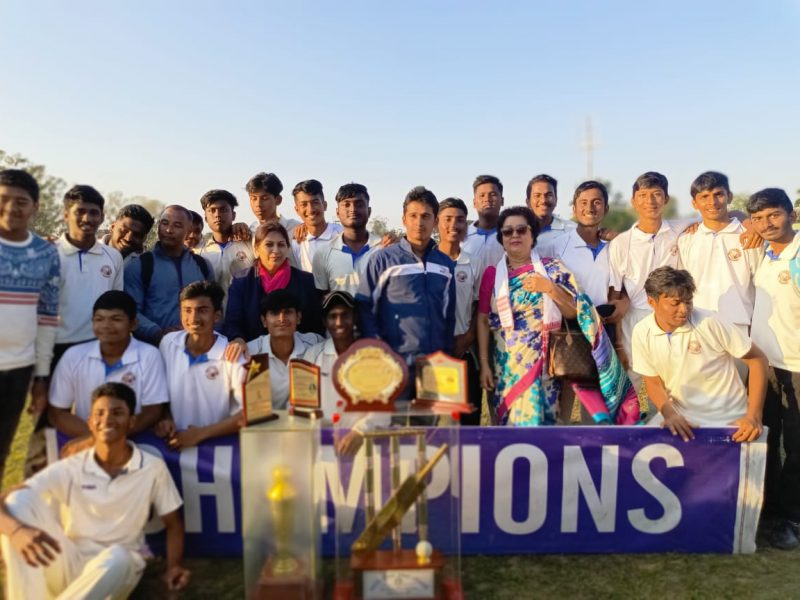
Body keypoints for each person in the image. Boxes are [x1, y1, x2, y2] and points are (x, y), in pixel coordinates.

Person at [0, 382, 190, 598]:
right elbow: (9, 498)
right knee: (17, 504)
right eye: (99, 413)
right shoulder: (71, 465)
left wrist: (174, 566)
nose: (107, 420)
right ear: (90, 422)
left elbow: (174, 524)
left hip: (118, 568)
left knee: (120, 557)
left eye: (117, 413)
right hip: (69, 559)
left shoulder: (152, 467)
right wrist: (17, 532)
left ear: (132, 421)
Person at [477, 206, 638, 426]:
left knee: (543, 428)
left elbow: (575, 311)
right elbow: (483, 320)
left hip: (546, 366)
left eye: (521, 230)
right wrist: (485, 364)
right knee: (508, 429)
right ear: (501, 238)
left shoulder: (552, 269)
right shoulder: (493, 275)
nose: (515, 235)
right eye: (508, 232)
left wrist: (550, 289)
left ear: (533, 235)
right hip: (505, 368)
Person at [632, 267, 767, 441]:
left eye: (688, 302)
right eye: (675, 303)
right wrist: (669, 414)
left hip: (730, 420)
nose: (684, 309)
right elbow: (652, 381)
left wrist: (753, 416)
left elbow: (757, 360)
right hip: (683, 420)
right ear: (652, 302)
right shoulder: (641, 332)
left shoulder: (710, 322)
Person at [357, 186, 456, 386]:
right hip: (393, 364)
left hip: (434, 365)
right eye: (413, 215)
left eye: (426, 216)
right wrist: (379, 352)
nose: (419, 222)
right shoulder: (383, 260)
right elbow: (364, 308)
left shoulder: (445, 265)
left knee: (429, 417)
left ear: (435, 221)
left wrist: (445, 355)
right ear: (404, 219)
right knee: (394, 418)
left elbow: (448, 316)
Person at [746, 188, 800, 549]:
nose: (767, 224)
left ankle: (793, 518)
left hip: (797, 365)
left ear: (791, 214)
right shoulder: (762, 253)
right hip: (765, 363)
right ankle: (767, 509)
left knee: (797, 445)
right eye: (759, 218)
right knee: (767, 437)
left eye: (774, 215)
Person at [0, 169, 60, 482]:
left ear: (35, 207)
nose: (11, 208)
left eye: (21, 201)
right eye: (3, 200)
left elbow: (47, 317)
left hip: (19, 369)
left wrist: (40, 377)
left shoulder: (46, 253)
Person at [48, 290, 167, 442]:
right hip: (86, 442)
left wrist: (113, 437)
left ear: (133, 323)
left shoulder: (149, 355)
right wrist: (98, 439)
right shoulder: (74, 356)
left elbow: (152, 411)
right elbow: (58, 412)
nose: (106, 326)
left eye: (116, 319)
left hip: (135, 442)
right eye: (99, 319)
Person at [157, 281, 245, 450]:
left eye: (202, 310)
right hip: (175, 447)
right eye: (187, 310)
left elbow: (248, 413)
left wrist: (200, 434)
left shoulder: (233, 355)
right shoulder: (168, 343)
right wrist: (165, 418)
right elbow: (161, 394)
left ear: (217, 315)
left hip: (218, 452)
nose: (193, 319)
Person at [302, 291, 389, 454]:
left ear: (355, 317)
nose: (339, 322)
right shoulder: (312, 355)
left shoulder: (372, 355)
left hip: (365, 449)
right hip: (322, 448)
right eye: (332, 316)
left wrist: (359, 432)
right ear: (325, 322)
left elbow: (383, 410)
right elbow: (301, 404)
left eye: (345, 315)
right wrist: (323, 430)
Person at [224, 222, 324, 359]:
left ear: (288, 248)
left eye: (281, 245)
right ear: (257, 249)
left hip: (298, 356)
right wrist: (237, 338)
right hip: (255, 355)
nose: (276, 250)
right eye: (269, 245)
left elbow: (314, 323)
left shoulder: (305, 281)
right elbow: (233, 321)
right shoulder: (242, 281)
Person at [678, 171, 761, 333]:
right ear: (694, 203)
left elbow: (760, 284)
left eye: (718, 194)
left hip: (741, 324)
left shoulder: (749, 235)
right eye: (704, 197)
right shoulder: (686, 239)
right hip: (698, 324)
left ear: (729, 196)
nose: (713, 202)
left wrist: (756, 324)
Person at [54, 185, 124, 366]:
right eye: (80, 211)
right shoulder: (48, 253)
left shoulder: (113, 256)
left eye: (94, 213)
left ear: (101, 217)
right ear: (66, 215)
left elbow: (116, 302)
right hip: (56, 347)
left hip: (98, 346)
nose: (87, 218)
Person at [124, 205, 214, 345]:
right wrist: (158, 333)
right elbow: (130, 310)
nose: (169, 230)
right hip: (153, 348)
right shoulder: (140, 265)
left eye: (177, 225)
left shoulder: (202, 266)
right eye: (164, 223)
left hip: (197, 346)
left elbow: (213, 308)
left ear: (189, 230)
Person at [436, 197, 482, 424]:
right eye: (447, 219)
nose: (453, 225)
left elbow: (478, 305)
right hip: (434, 354)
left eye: (460, 220)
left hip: (464, 350)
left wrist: (469, 336)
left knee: (468, 422)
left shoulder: (473, 262)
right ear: (437, 222)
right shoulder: (426, 260)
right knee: (439, 424)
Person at [243, 290, 322, 409]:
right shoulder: (250, 352)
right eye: (275, 313)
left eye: (288, 312)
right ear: (264, 321)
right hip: (265, 424)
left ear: (298, 317)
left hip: (304, 422)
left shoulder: (315, 343)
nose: (282, 318)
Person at [312, 182, 382, 296]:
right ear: (337, 212)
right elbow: (321, 298)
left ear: (369, 211)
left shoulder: (384, 249)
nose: (353, 209)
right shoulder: (323, 254)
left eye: (359, 204)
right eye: (347, 204)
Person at [195, 189, 254, 295]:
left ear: (234, 215)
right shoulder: (199, 251)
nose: (217, 215)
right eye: (212, 210)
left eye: (223, 210)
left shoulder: (249, 243)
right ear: (205, 218)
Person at [290, 179, 343, 272]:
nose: (310, 210)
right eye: (304, 204)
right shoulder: (296, 243)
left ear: (325, 205)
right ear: (297, 210)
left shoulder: (342, 235)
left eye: (315, 202)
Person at [462, 174, 505, 272]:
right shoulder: (462, 237)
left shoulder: (512, 235)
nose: (487, 199)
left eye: (493, 194)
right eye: (482, 195)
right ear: (474, 203)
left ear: (502, 201)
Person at [525, 174, 577, 246]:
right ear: (528, 202)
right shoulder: (515, 231)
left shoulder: (572, 230)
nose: (543, 201)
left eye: (549, 195)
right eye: (537, 195)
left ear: (556, 200)